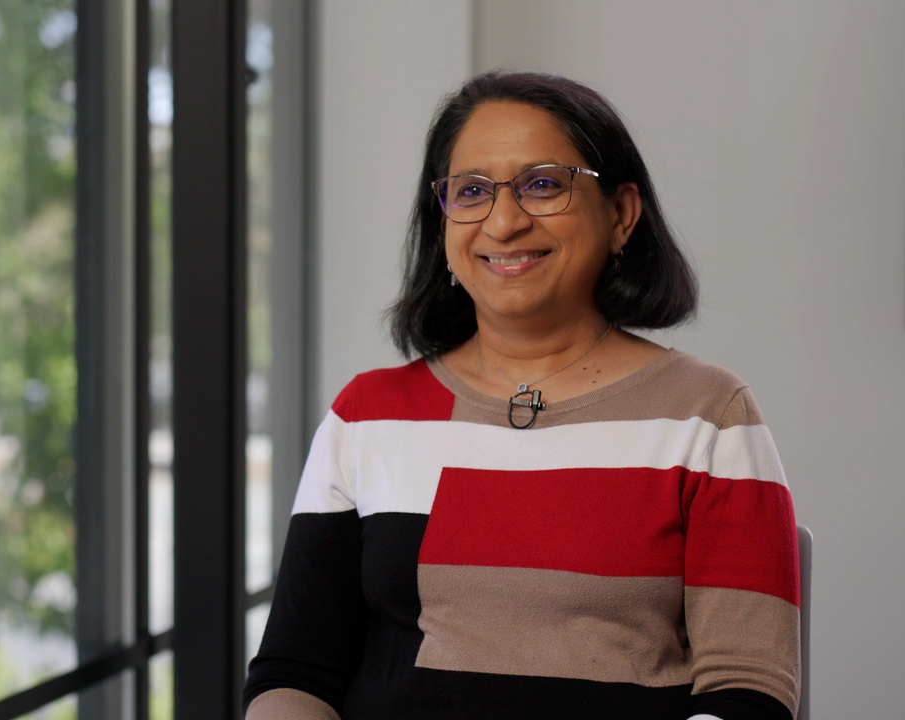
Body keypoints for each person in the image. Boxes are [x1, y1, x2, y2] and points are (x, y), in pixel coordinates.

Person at [243, 71, 800, 720]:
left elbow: (747, 694)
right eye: (471, 191)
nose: (503, 222)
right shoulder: (366, 417)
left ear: (620, 214)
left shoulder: (710, 417)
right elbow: (293, 676)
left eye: (542, 184)